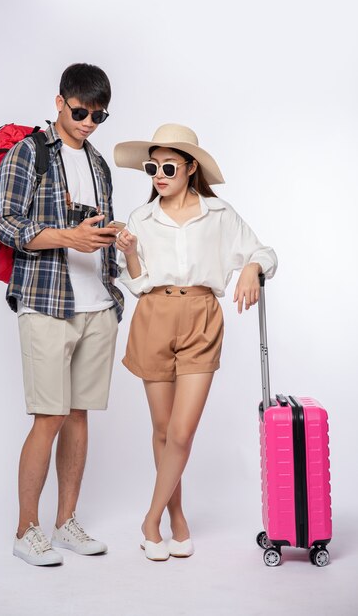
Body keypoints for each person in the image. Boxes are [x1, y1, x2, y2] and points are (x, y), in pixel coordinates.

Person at [114, 124, 277, 561]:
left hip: (202, 318)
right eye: (152, 167)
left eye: (169, 166)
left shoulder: (219, 214)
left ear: (190, 168)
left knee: (182, 432)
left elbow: (265, 253)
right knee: (164, 430)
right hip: (153, 316)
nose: (159, 174)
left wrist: (249, 269)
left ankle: (151, 519)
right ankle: (177, 515)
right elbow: (136, 282)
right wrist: (129, 251)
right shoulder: (140, 218)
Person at [0, 63, 124, 566]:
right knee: (47, 416)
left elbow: (100, 226)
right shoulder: (28, 153)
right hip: (46, 303)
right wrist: (69, 237)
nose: (89, 121)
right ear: (59, 103)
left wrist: (114, 258)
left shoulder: (98, 163)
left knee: (77, 416)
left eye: (99, 114)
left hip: (96, 303)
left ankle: (65, 522)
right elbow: (8, 224)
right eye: (80, 111)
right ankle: (26, 531)